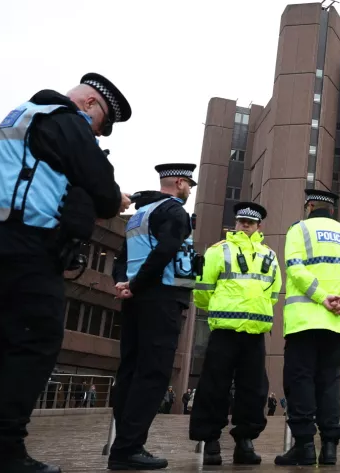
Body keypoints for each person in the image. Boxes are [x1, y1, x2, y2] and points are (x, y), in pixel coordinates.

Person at [0, 73, 132, 473]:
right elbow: (102, 190)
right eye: (101, 127)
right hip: (26, 249)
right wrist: (114, 196)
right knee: (35, 343)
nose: (98, 136)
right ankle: (3, 449)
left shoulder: (20, 117)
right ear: (89, 104)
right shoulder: (66, 120)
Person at [108, 163, 197, 470]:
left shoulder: (139, 215)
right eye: (189, 185)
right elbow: (165, 252)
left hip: (135, 300)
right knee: (153, 373)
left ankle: (124, 445)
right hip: (160, 296)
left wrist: (123, 284)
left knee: (130, 372)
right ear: (180, 183)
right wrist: (136, 283)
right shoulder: (174, 211)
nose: (189, 190)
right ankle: (129, 448)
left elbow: (120, 259)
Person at [274, 189, 340, 467]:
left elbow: (295, 268)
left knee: (300, 380)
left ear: (310, 205)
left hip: (305, 320)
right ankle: (329, 448)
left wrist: (321, 296)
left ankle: (304, 446)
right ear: (332, 210)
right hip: (338, 322)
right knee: (329, 382)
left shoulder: (299, 230)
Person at [190, 202, 281, 466]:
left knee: (253, 390)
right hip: (225, 331)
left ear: (259, 226)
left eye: (250, 223)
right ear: (236, 222)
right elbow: (203, 288)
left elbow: (274, 292)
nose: (245, 225)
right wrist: (217, 312)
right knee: (213, 387)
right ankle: (211, 442)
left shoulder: (269, 255)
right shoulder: (219, 250)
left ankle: (245, 442)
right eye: (241, 221)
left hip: (254, 332)